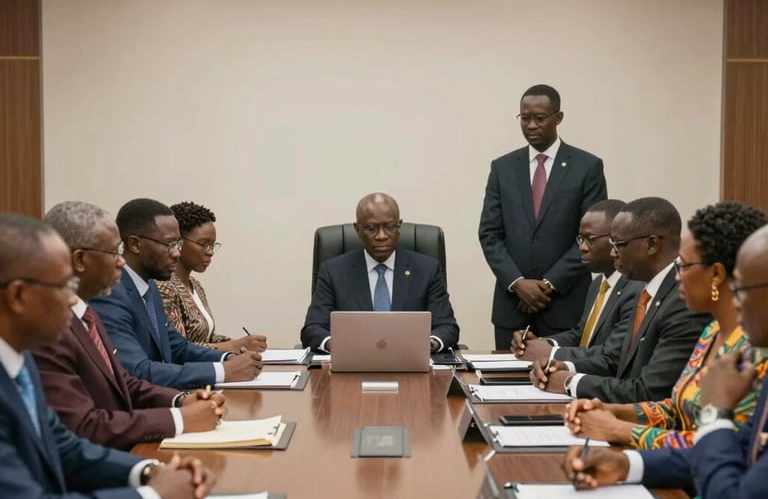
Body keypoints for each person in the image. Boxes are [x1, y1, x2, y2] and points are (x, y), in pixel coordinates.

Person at [0, 212, 216, 499]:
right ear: (18, 296)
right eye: (64, 284)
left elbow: (64, 447)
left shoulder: (18, 360)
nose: (74, 298)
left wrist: (148, 472)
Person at [563, 222, 768, 499]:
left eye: (743, 288)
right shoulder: (712, 333)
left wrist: (621, 431)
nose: (736, 298)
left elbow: (733, 496)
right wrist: (627, 460)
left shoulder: (751, 358)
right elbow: (685, 414)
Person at [566, 202, 768, 448]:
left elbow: (722, 446)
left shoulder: (755, 351)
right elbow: (675, 409)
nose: (677, 276)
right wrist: (613, 410)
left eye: (683, 265)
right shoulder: (711, 332)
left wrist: (621, 429)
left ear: (716, 275)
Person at [32, 201, 227, 450]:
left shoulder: (87, 315)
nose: (122, 262)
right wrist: (179, 419)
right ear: (80, 260)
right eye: (113, 252)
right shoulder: (49, 332)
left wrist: (180, 400)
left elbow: (124, 383)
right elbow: (83, 426)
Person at [531, 197, 711, 403]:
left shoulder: (682, 301)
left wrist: (570, 382)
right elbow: (617, 362)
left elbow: (649, 392)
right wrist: (566, 367)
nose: (612, 253)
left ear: (652, 244)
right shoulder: (646, 290)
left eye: (619, 244)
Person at [479, 84, 608, 348]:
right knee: (505, 385)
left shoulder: (587, 167)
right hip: (511, 305)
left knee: (560, 385)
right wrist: (517, 283)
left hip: (565, 305)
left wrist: (549, 284)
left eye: (540, 118)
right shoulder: (502, 168)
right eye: (525, 118)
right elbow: (490, 233)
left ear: (558, 118)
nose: (531, 125)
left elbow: (591, 237)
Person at [91, 198, 262, 390]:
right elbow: (136, 371)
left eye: (179, 244)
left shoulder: (150, 287)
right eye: (169, 245)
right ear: (135, 244)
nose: (176, 253)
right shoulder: (110, 293)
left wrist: (227, 357)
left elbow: (177, 347)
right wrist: (223, 371)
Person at [300, 193, 459, 352]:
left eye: (389, 227)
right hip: (353, 364)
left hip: (411, 363)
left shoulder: (427, 269)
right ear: (357, 229)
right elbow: (313, 328)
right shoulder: (333, 271)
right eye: (371, 228)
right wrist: (339, 345)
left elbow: (447, 327)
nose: (382, 236)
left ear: (399, 227)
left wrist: (429, 344)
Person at [512, 199, 642, 362]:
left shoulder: (636, 290)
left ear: (616, 238)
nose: (582, 247)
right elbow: (581, 335)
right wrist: (542, 343)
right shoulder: (597, 284)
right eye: (581, 239)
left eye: (591, 239)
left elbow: (612, 354)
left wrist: (550, 354)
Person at [157, 201, 267, 352]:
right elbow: (178, 349)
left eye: (213, 245)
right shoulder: (164, 287)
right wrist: (234, 346)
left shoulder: (195, 285)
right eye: (203, 244)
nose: (210, 252)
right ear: (178, 242)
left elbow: (207, 337)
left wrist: (244, 343)